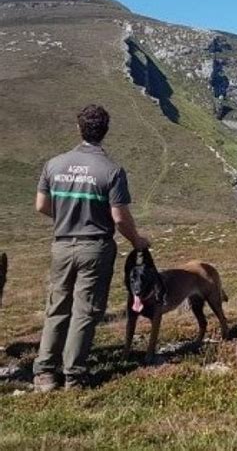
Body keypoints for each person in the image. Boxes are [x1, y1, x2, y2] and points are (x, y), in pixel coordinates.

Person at [33, 104, 150, 392]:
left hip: (61, 245)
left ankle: (45, 374)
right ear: (105, 132)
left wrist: (65, 216)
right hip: (95, 247)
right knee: (85, 310)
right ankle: (75, 375)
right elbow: (119, 217)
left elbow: (41, 206)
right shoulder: (111, 171)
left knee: (57, 307)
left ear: (79, 128)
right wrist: (138, 242)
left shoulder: (54, 164)